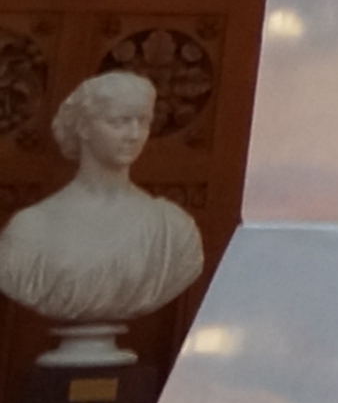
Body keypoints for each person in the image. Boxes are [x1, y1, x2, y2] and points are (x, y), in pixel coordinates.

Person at [0, 72, 203, 366]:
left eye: (142, 122)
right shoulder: (30, 228)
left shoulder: (172, 229)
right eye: (118, 122)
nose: (133, 134)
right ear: (83, 127)